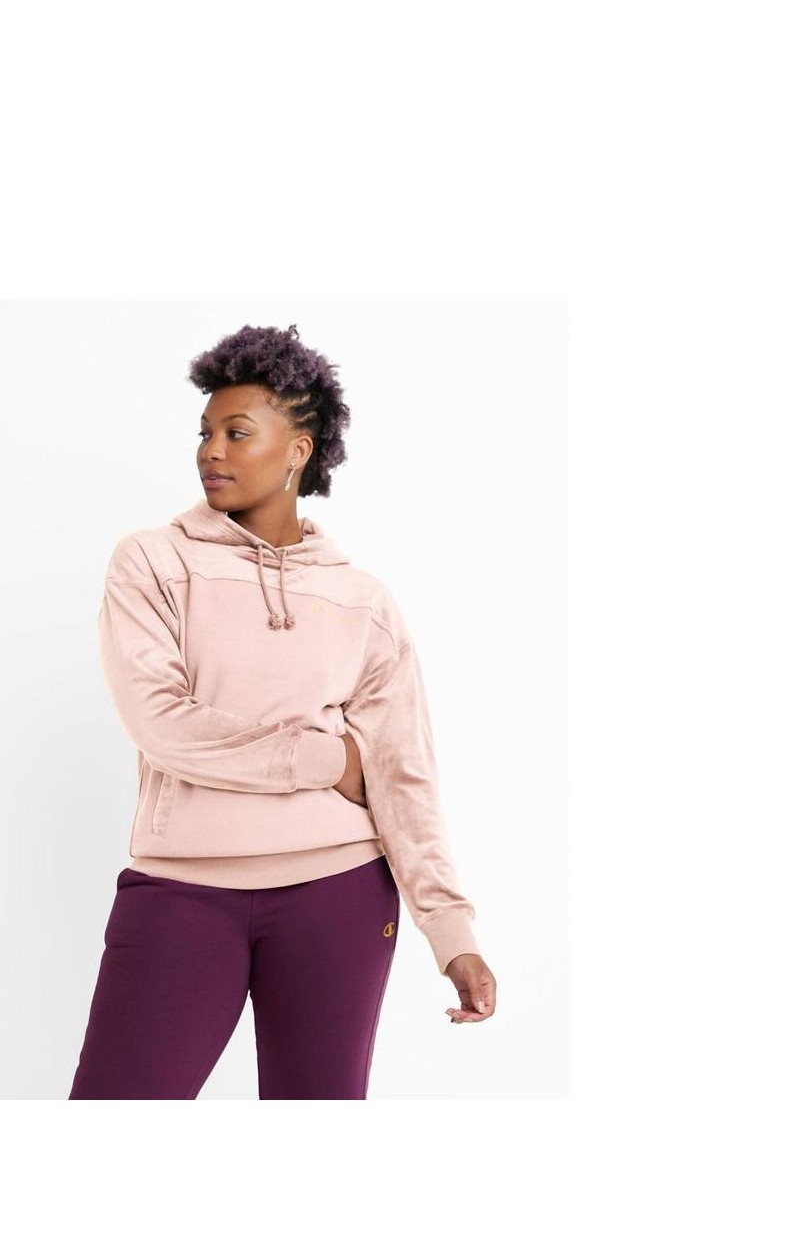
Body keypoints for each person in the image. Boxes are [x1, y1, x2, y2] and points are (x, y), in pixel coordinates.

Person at [68, 322, 496, 1100]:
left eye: (236, 433)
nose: (211, 451)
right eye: (205, 433)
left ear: (298, 450)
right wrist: (328, 759)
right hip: (182, 890)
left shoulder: (361, 600)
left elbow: (403, 774)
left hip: (340, 892)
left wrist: (451, 931)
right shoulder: (154, 561)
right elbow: (162, 724)